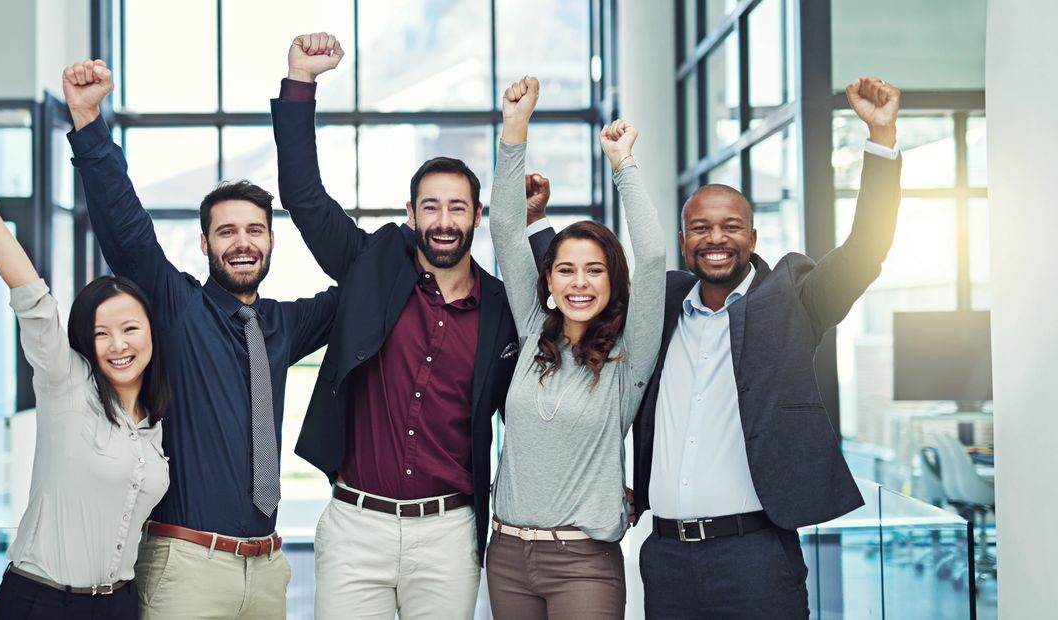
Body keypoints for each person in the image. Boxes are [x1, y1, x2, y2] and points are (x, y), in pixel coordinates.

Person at [534, 76, 902, 618]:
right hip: (664, 556)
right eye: (700, 228)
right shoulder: (660, 307)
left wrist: (881, 135)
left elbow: (865, 250)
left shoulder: (794, 300)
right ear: (684, 241)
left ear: (752, 239)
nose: (715, 238)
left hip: (757, 558)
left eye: (731, 227)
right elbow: (578, 292)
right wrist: (537, 223)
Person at [271, 34, 549, 619]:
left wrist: (534, 216)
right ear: (410, 214)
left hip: (448, 534)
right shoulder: (369, 265)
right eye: (430, 206)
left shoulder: (501, 309)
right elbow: (303, 197)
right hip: (354, 526)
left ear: (478, 215)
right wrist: (301, 79)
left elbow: (540, 401)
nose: (443, 221)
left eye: (457, 208)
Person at [62, 59, 339, 619]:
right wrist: (89, 121)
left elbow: (366, 285)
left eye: (255, 230)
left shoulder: (285, 325)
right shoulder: (177, 306)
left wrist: (425, 239)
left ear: (270, 242)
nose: (242, 242)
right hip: (185, 566)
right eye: (227, 231)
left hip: (266, 569)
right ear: (206, 244)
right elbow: (126, 227)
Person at [0, 139, 170, 619]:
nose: (118, 345)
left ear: (152, 333)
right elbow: (31, 296)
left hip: (120, 603)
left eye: (130, 329)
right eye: (101, 333)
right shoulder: (66, 384)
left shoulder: (156, 423)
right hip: (41, 600)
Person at [485, 76, 666, 619]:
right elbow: (504, 230)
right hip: (508, 555)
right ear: (548, 281)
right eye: (566, 269)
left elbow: (653, 257)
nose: (580, 283)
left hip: (584, 561)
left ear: (612, 282)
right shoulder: (530, 329)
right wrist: (514, 130)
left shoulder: (627, 355)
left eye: (595, 270)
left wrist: (623, 165)